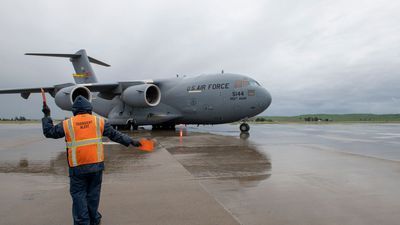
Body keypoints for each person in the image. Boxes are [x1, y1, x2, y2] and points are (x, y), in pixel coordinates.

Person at [42, 95, 141, 225]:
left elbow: (49, 132)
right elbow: (115, 135)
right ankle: (94, 219)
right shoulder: (99, 122)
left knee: (79, 196)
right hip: (96, 166)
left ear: (74, 111)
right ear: (89, 109)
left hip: (77, 167)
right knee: (93, 196)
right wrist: (131, 141)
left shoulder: (68, 123)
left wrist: (47, 115)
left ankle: (83, 222)